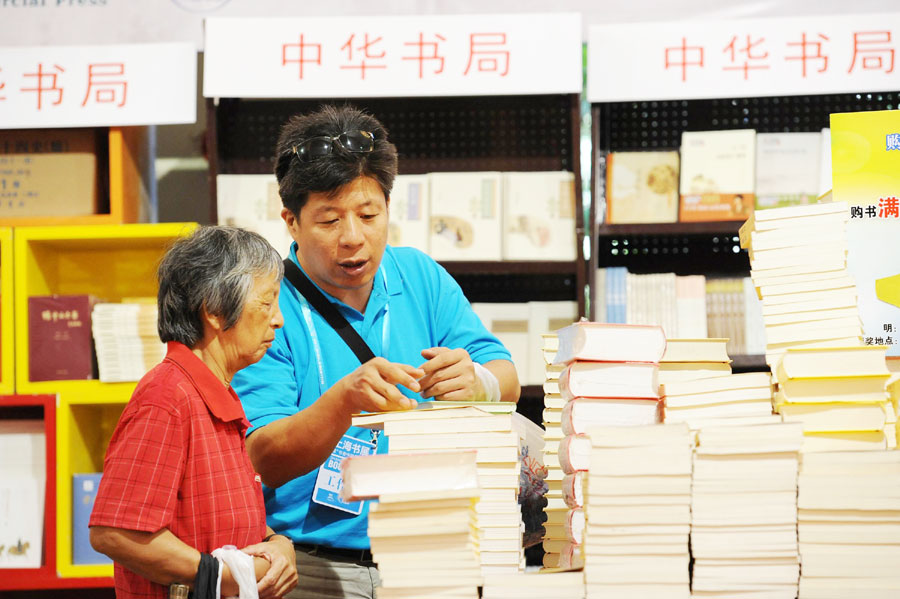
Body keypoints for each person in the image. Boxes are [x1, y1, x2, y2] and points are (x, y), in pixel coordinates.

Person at [231, 104, 520, 599]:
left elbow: (506, 376)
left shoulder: (420, 275)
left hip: (434, 553)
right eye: (328, 220)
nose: (353, 238)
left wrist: (479, 382)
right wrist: (341, 404)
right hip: (312, 566)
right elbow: (262, 455)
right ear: (291, 222)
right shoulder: (267, 303)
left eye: (369, 215)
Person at [89, 226, 299, 599]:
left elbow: (221, 517)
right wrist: (221, 575)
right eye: (266, 303)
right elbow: (115, 532)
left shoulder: (216, 392)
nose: (278, 319)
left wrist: (276, 543)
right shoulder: (167, 396)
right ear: (215, 311)